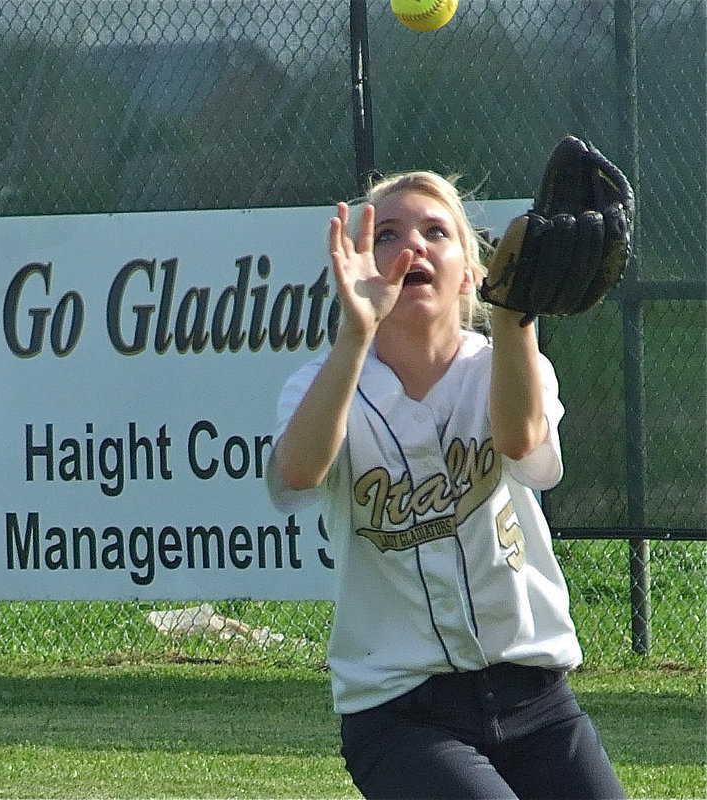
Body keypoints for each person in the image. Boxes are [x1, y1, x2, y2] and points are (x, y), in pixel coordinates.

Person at [266, 170, 626, 800]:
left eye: (436, 231)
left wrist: (514, 316)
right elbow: (298, 474)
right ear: (355, 265)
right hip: (400, 716)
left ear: (470, 274)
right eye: (387, 234)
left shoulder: (504, 363)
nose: (414, 246)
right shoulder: (322, 385)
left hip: (536, 699)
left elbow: (520, 442)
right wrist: (356, 332)